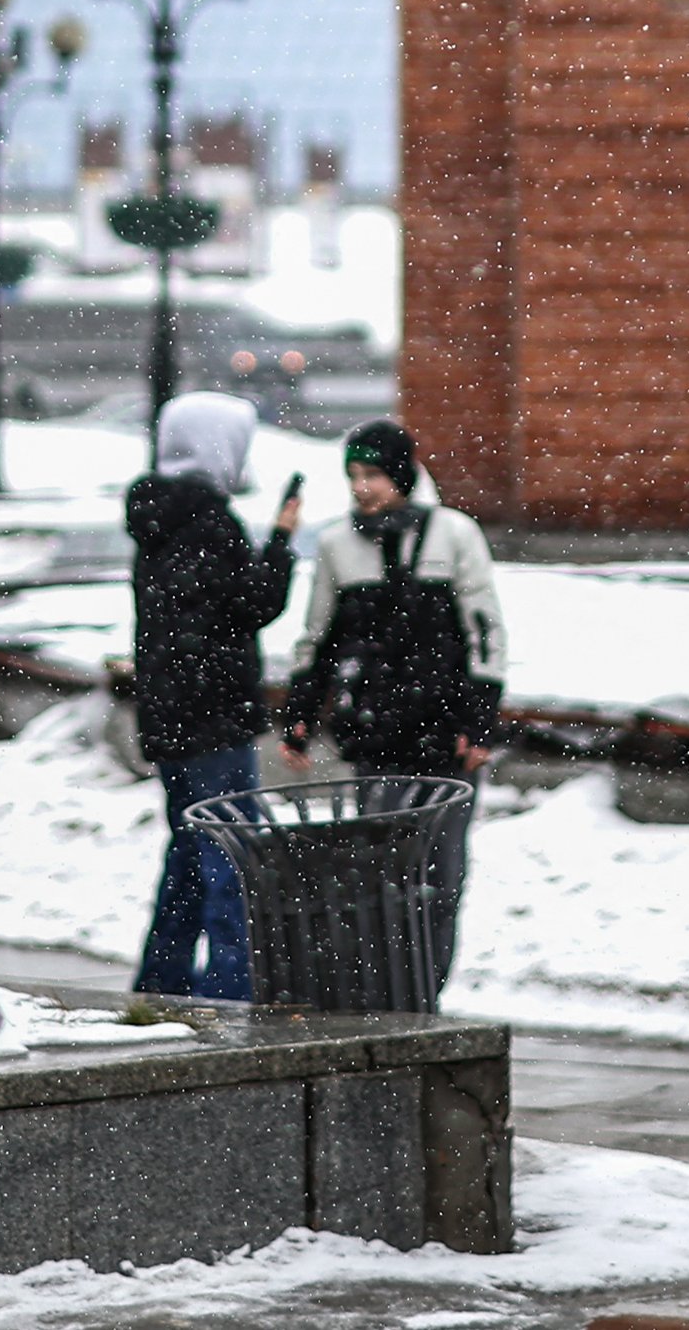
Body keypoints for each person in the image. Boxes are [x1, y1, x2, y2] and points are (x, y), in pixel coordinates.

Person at [280, 417, 507, 992]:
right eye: (354, 475)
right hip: (375, 735)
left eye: (375, 474)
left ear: (403, 473)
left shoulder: (454, 535)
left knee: (441, 876)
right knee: (380, 875)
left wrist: (479, 721)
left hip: (444, 738)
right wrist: (300, 715)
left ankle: (426, 991)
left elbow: (484, 631)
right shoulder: (337, 544)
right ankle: (387, 991)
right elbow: (319, 636)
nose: (363, 487)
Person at [125, 391, 300, 1000]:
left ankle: (163, 979)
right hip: (212, 722)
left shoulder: (157, 517)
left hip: (170, 720)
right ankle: (229, 989)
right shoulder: (209, 521)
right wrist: (280, 542)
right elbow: (251, 608)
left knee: (189, 853)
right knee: (229, 855)